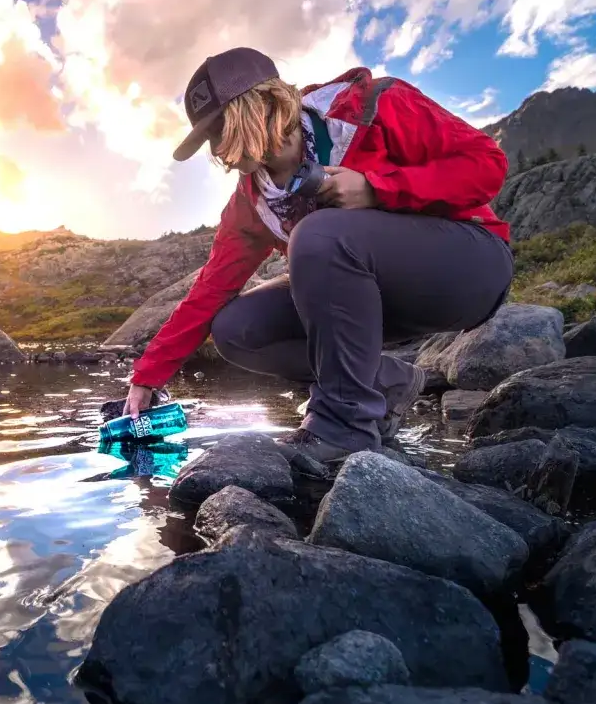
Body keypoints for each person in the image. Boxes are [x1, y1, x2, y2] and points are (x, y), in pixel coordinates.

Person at [121, 47, 514, 462]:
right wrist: (147, 377)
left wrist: (378, 188)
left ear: (260, 106)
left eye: (218, 130)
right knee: (236, 329)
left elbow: (488, 166)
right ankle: (385, 383)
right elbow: (209, 291)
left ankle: (343, 428)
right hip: (378, 305)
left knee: (318, 235)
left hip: (471, 268)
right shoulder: (250, 206)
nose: (217, 150)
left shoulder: (373, 106)